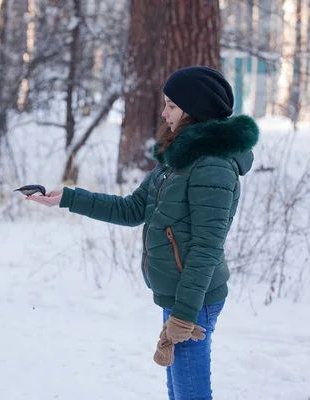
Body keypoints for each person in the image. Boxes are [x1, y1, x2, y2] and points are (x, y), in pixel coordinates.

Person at [26, 65, 260, 400]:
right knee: (179, 388)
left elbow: (207, 249)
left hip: (194, 299)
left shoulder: (213, 167)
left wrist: (183, 315)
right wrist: (68, 198)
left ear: (195, 111)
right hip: (179, 293)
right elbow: (133, 208)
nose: (164, 113)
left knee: (190, 390)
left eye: (172, 106)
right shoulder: (178, 157)